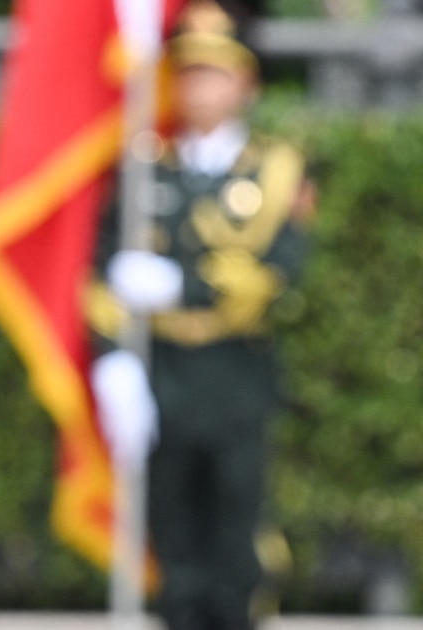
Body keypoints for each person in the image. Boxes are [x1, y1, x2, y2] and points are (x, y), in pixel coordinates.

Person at [87, 2, 314, 629]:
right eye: (188, 73)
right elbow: (102, 273)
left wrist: (179, 285)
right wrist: (112, 360)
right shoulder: (144, 168)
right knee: (172, 540)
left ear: (245, 82)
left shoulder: (276, 170)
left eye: (215, 73)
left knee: (234, 542)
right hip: (163, 373)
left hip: (234, 375)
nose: (199, 87)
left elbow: (275, 275)